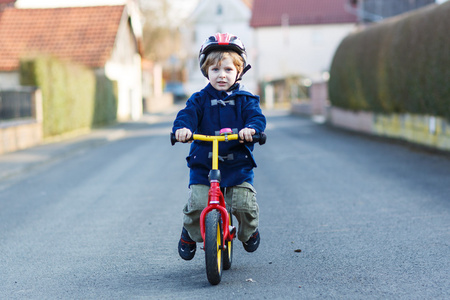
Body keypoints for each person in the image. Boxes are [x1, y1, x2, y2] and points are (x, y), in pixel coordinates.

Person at [172, 33, 266, 260]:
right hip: (205, 164)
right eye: (215, 70)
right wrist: (182, 129)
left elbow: (256, 117)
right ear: (206, 72)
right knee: (197, 204)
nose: (221, 75)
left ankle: (249, 231)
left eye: (228, 70)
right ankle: (189, 232)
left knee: (244, 205)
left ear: (239, 71)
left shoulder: (246, 99)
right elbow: (187, 115)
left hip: (237, 165)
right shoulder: (199, 99)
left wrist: (251, 130)